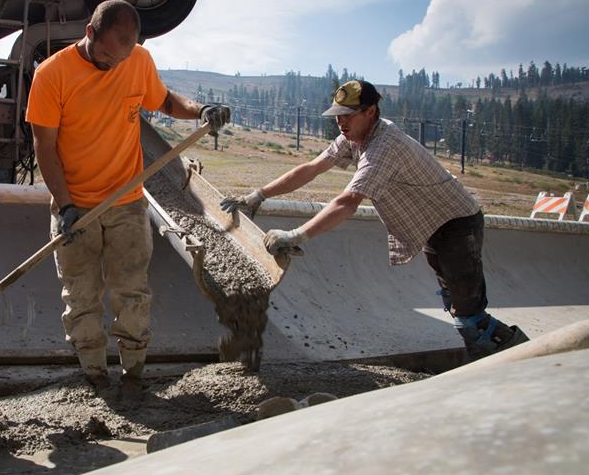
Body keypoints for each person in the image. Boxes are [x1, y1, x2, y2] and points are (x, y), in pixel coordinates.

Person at [220, 79, 528, 362]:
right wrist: (259, 194)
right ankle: (493, 355)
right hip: (431, 225)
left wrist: (296, 235)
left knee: (468, 309)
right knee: (455, 301)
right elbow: (312, 168)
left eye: (348, 115)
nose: (340, 122)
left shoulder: (384, 147)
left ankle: (517, 355)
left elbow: (348, 202)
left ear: (371, 112)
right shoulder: (353, 136)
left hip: (456, 223)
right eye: (338, 115)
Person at [25, 0, 230, 400]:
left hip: (127, 204)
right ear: (89, 32)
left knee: (132, 291)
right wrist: (65, 205)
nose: (114, 65)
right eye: (105, 56)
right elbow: (44, 148)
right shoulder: (53, 75)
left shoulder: (136, 60)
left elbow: (166, 102)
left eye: (122, 58)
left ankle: (133, 374)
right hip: (75, 206)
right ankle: (95, 376)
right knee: (81, 295)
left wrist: (200, 110)